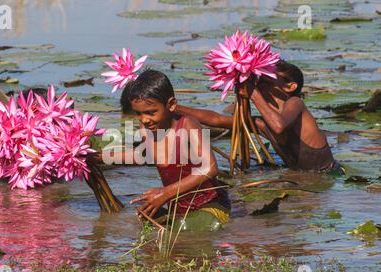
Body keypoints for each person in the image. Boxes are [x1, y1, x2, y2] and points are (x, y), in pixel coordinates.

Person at [108, 69, 231, 231]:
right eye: (139, 114)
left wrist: (165, 194)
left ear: (171, 105)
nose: (144, 119)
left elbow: (210, 168)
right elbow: (140, 155)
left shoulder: (187, 124)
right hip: (179, 210)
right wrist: (98, 157)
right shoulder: (147, 131)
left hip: (210, 206)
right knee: (144, 221)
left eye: (151, 112)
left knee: (178, 233)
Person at [173, 60, 344, 173]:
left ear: (290, 86)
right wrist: (175, 108)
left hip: (328, 176)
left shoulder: (295, 103)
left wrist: (253, 94)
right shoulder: (263, 124)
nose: (259, 81)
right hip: (304, 179)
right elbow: (216, 120)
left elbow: (279, 125)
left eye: (266, 78)